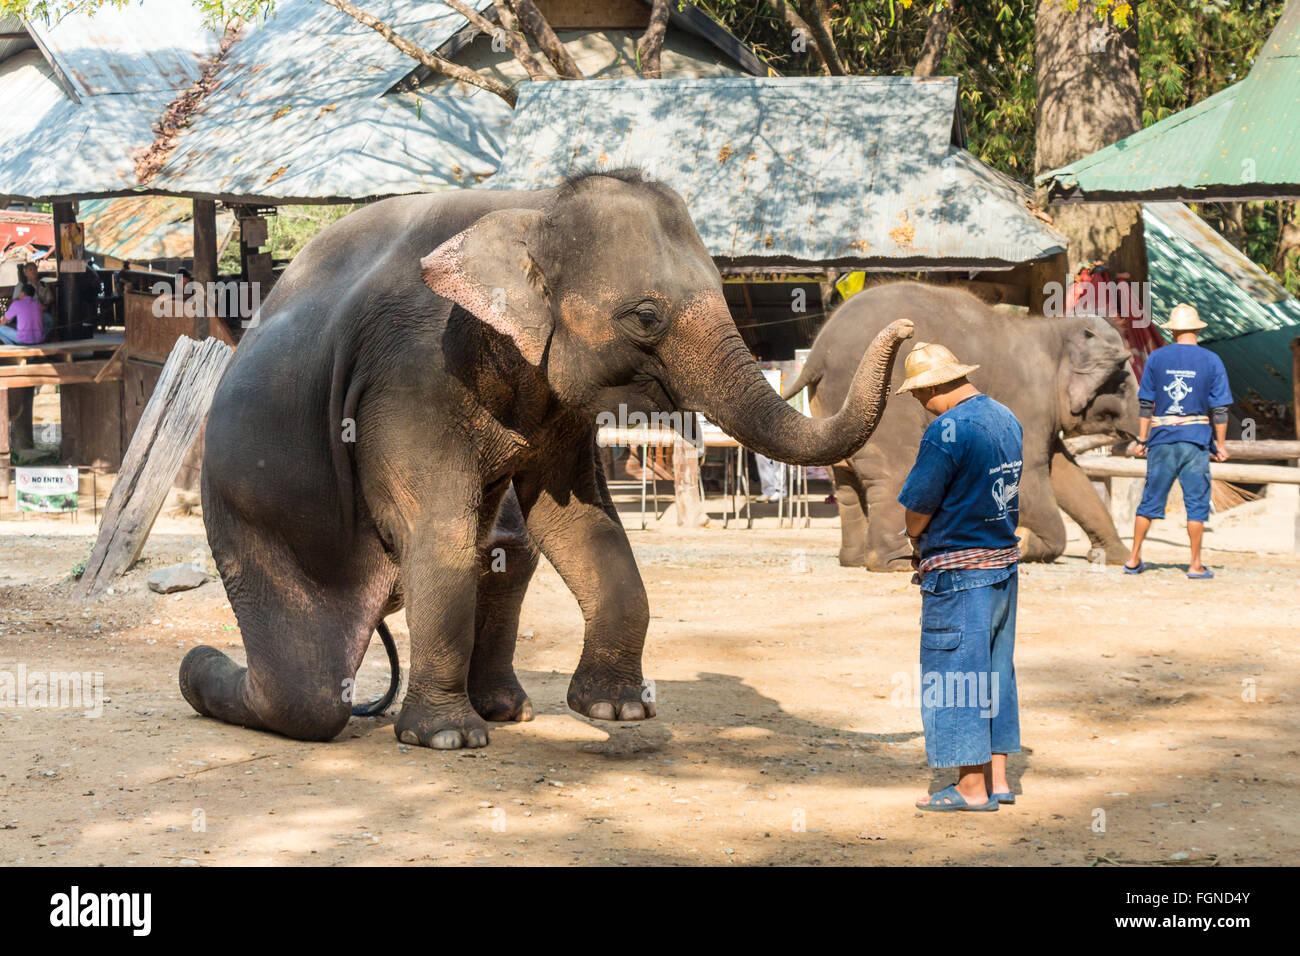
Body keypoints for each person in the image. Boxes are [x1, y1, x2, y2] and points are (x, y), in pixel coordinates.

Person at [896, 342, 1023, 813]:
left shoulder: (946, 430)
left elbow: (917, 509)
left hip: (959, 575)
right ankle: (999, 780)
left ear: (934, 386)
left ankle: (970, 790)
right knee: (994, 674)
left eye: (917, 394)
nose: (918, 403)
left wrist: (913, 541)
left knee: (954, 677)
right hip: (1003, 570)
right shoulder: (1006, 417)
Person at [1123, 303, 1231, 579]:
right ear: (1197, 329)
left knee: (1149, 501)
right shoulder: (1212, 361)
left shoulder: (1157, 359)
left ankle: (1134, 558)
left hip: (1161, 440)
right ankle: (1195, 565)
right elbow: (1220, 410)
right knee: (1196, 504)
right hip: (1195, 443)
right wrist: (1220, 445)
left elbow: (1146, 403)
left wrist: (1143, 440)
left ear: (1172, 331)